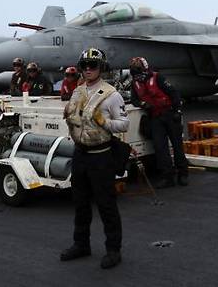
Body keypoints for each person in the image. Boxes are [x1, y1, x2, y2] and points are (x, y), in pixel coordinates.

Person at [61, 48, 130, 269]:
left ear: (101, 68)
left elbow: (124, 124)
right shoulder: (77, 91)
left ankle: (113, 250)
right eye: (85, 65)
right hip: (81, 154)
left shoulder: (112, 94)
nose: (88, 69)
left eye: (93, 65)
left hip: (101, 156)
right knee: (80, 204)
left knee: (106, 205)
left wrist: (105, 122)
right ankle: (81, 244)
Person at [129, 57, 188, 188]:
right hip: (155, 117)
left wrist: (178, 110)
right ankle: (167, 177)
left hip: (170, 114)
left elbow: (173, 93)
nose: (138, 76)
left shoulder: (158, 77)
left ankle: (183, 174)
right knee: (160, 148)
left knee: (177, 146)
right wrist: (143, 104)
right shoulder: (135, 83)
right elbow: (134, 100)